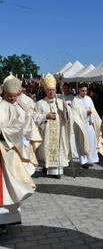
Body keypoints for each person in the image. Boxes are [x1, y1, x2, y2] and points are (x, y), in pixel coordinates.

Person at [0, 76, 41, 233]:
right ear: (4, 93)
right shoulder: (1, 106)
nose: (12, 98)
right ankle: (2, 221)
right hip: (2, 151)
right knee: (3, 187)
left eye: (14, 95)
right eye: (9, 95)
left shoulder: (19, 106)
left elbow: (22, 126)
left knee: (14, 185)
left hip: (12, 153)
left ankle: (11, 218)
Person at [34, 73, 71, 179]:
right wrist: (46, 116)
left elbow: (68, 118)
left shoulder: (60, 102)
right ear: (45, 91)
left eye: (53, 90)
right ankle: (46, 167)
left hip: (59, 133)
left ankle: (57, 172)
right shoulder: (40, 104)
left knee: (58, 150)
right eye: (49, 90)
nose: (51, 92)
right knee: (46, 150)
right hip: (45, 132)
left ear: (56, 91)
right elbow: (34, 117)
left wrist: (65, 109)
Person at [72, 83, 102, 168]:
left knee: (91, 141)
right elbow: (75, 112)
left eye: (85, 91)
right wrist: (86, 112)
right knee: (82, 142)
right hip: (81, 125)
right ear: (79, 90)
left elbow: (93, 110)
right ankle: (83, 161)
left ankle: (90, 159)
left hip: (89, 123)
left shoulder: (89, 98)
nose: (84, 92)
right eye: (82, 91)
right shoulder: (75, 100)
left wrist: (96, 121)